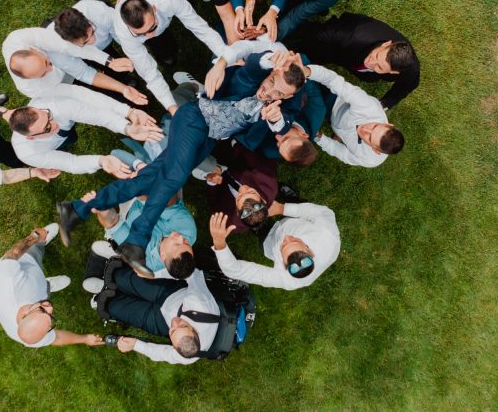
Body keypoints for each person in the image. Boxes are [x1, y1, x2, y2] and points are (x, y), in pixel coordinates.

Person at [55, 55, 308, 267]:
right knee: (174, 177)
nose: (270, 90)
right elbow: (255, 62)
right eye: (272, 81)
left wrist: (275, 117)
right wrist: (277, 60)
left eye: (278, 92)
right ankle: (136, 241)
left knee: (149, 179)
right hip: (194, 118)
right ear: (272, 71)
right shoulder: (251, 77)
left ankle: (76, 209)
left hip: (208, 138)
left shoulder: (275, 107)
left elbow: (284, 121)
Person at [113, 0, 228, 114]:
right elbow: (149, 73)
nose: (149, 36)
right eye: (140, 34)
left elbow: (201, 29)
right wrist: (172, 107)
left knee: (189, 1)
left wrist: (225, 56)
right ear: (128, 26)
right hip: (150, 18)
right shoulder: (123, 32)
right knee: (161, 45)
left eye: (151, 27)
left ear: (154, 9)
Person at [0, 223, 104, 347]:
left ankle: (41, 243)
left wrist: (34, 237)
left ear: (24, 314)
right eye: (50, 317)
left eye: (43, 310)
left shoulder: (7, 281)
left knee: (36, 251)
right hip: (35, 289)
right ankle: (47, 285)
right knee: (43, 294)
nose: (50, 308)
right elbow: (57, 338)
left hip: (26, 263)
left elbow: (14, 253)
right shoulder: (34, 337)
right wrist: (85, 339)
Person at [85, 265, 219, 364]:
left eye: (172, 332)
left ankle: (102, 293)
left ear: (173, 344)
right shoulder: (199, 303)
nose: (174, 323)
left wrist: (135, 345)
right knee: (121, 277)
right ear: (193, 329)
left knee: (114, 308)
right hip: (171, 294)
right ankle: (110, 280)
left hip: (161, 321)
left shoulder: (186, 356)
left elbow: (161, 353)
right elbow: (191, 274)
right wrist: (157, 274)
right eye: (183, 325)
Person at [287, 13, 420, 110]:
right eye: (376, 56)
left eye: (379, 67)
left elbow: (407, 86)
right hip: (341, 36)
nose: (371, 63)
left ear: (393, 72)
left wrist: (383, 104)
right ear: (386, 44)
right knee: (314, 47)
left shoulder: (410, 72)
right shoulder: (351, 35)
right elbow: (322, 34)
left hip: (353, 59)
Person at [9, 95, 163, 175]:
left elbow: (97, 115)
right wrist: (100, 161)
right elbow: (71, 163)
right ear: (31, 137)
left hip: (70, 117)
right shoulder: (28, 153)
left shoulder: (55, 105)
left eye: (48, 116)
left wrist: (127, 128)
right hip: (53, 146)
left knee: (69, 131)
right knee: (68, 142)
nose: (54, 122)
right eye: (47, 127)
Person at [209, 202, 340, 290]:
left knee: (262, 233)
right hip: (295, 220)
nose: (287, 238)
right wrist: (282, 208)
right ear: (309, 250)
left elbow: (235, 270)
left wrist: (219, 243)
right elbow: (322, 213)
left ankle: (260, 229)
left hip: (270, 238)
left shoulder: (285, 279)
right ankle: (287, 201)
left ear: (282, 264)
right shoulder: (328, 237)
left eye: (283, 246)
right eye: (294, 241)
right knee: (295, 207)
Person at [3, 24, 144, 104]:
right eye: (43, 74)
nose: (51, 69)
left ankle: (124, 80)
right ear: (30, 79)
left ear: (33, 49)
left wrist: (109, 61)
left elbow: (69, 47)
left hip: (54, 47)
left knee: (79, 50)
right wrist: (122, 89)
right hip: (61, 84)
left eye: (46, 63)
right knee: (95, 94)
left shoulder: (21, 38)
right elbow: (80, 88)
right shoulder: (34, 89)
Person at [301, 60, 405, 167]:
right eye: (374, 126)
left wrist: (320, 137)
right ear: (388, 124)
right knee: (306, 89)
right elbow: (335, 81)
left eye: (369, 137)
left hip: (336, 122)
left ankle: (340, 135)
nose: (364, 129)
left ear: (375, 150)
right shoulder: (368, 106)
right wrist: (307, 71)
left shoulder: (369, 160)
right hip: (335, 102)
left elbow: (342, 154)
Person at [80, 188, 197, 278]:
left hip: (129, 213)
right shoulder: (188, 229)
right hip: (159, 195)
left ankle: (115, 246)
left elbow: (114, 224)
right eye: (186, 243)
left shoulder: (144, 260)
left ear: (162, 255)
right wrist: (141, 186)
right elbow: (164, 199)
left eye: (177, 244)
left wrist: (100, 207)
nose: (181, 237)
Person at [204, 141, 278, 234]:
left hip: (216, 169)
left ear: (238, 212)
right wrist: (235, 143)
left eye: (239, 197)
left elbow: (213, 201)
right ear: (262, 199)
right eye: (251, 192)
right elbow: (247, 152)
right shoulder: (268, 180)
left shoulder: (229, 221)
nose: (242, 189)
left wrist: (212, 182)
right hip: (236, 152)